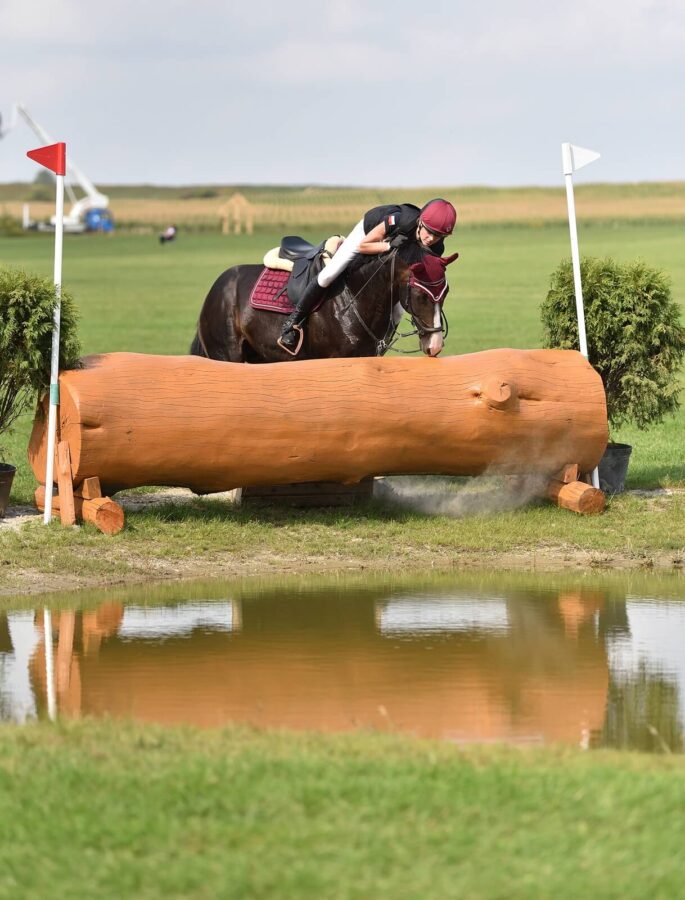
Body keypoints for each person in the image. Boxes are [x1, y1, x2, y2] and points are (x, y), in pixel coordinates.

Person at [277, 198, 457, 355]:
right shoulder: (401, 221)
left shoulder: (436, 247)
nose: (432, 239)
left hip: (391, 249)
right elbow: (364, 246)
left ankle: (382, 341)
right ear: (420, 222)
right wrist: (389, 246)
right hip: (368, 236)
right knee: (328, 275)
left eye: (440, 235)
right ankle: (293, 323)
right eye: (429, 231)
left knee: (399, 305)